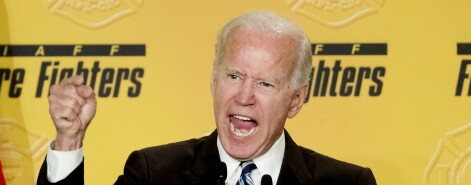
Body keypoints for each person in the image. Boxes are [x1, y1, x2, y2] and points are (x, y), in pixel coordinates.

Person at [37, 11, 377, 185]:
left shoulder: (347, 183)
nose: (244, 96)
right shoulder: (155, 174)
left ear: (296, 100)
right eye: (234, 76)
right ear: (214, 80)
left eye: (265, 84)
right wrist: (69, 141)